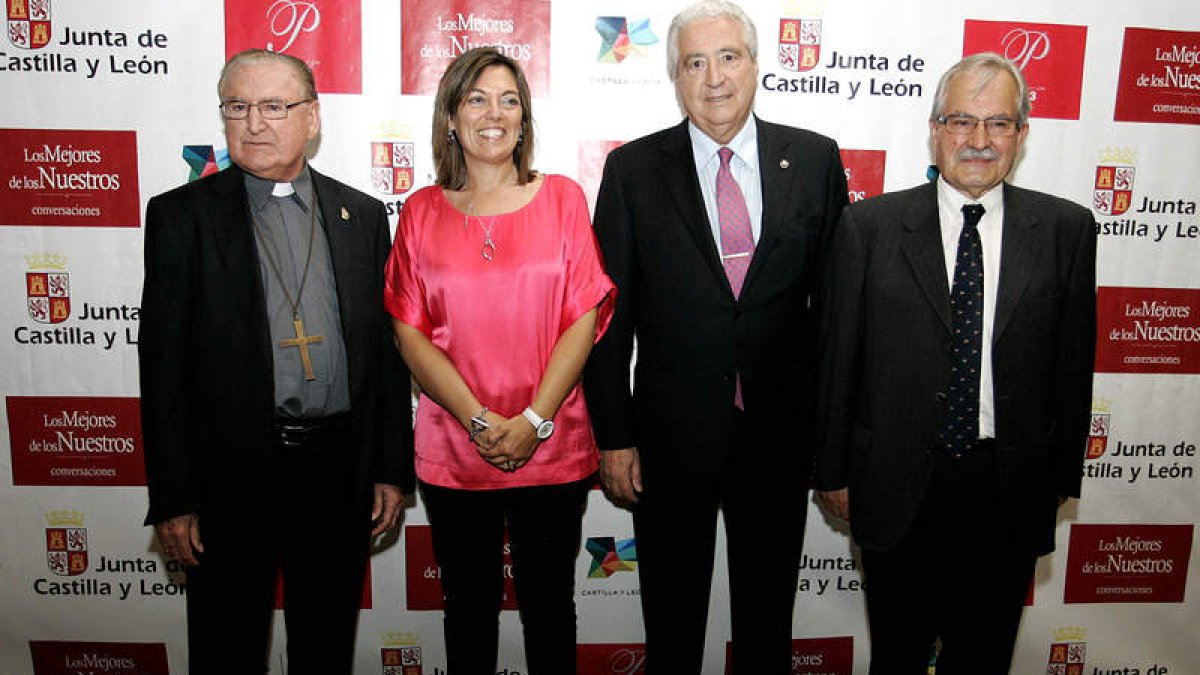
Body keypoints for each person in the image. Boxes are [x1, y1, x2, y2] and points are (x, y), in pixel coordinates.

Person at [582, 1, 849, 672]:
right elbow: (607, 318)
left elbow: (837, 313)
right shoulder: (634, 171)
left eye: (729, 57)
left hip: (779, 436)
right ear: (674, 77)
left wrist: (834, 439)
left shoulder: (815, 160)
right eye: (694, 62)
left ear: (756, 65)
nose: (714, 77)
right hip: (670, 441)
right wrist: (614, 435)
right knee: (672, 625)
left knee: (767, 625)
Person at [815, 52, 1096, 674]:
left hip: (1007, 485)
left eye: (998, 124)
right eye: (961, 121)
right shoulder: (869, 227)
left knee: (985, 656)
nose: (978, 140)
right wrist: (832, 469)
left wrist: (1061, 477)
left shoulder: (1066, 230)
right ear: (935, 129)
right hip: (896, 481)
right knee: (898, 654)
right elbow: (838, 359)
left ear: (1021, 135)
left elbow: (1075, 369)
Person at [139, 49, 413, 675]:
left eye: (273, 106)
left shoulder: (364, 217)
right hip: (229, 471)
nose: (254, 123)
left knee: (325, 644)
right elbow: (163, 371)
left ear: (311, 119)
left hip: (337, 468)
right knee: (225, 646)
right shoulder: (181, 217)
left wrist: (388, 468)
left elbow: (383, 357)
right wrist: (175, 497)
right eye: (237, 107)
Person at [384, 47, 615, 675]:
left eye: (509, 99)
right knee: (467, 609)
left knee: (550, 607)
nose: (494, 113)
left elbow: (583, 317)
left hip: (553, 445)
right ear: (451, 118)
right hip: (456, 451)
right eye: (476, 99)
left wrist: (535, 420)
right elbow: (410, 333)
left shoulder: (564, 198)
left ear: (524, 117)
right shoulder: (419, 212)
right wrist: (481, 421)